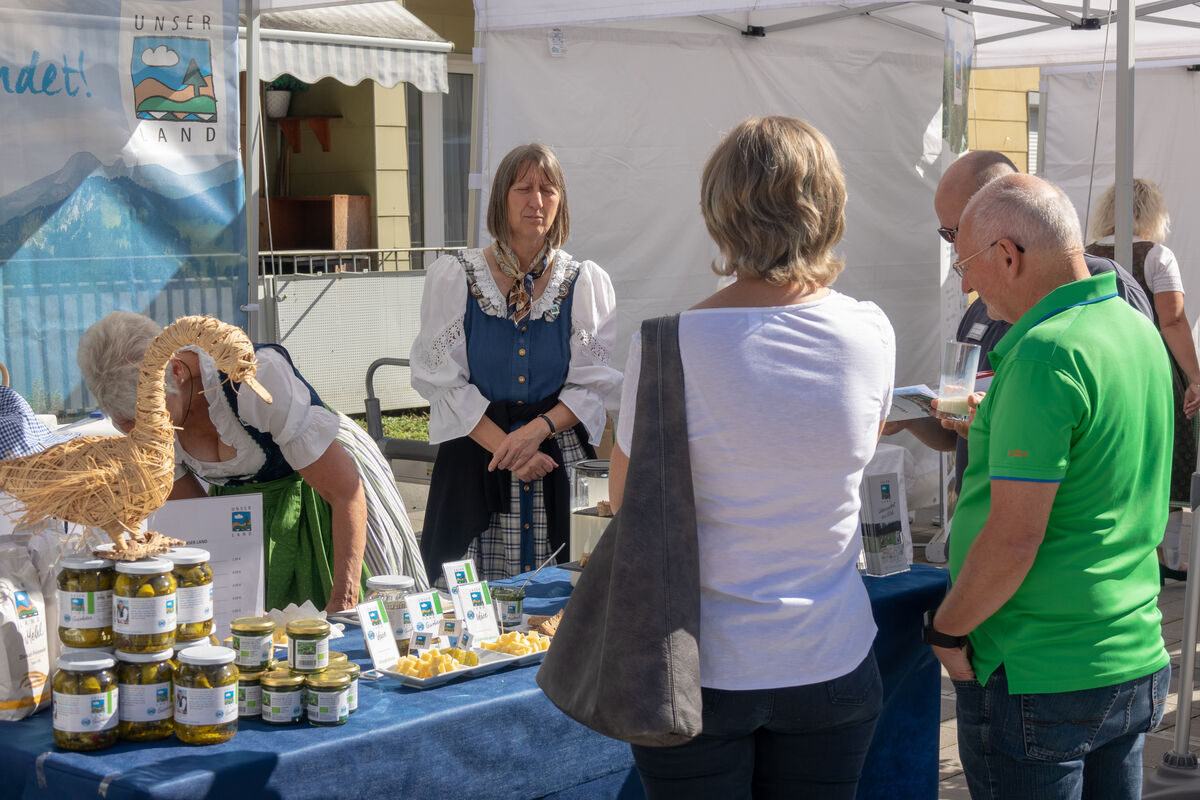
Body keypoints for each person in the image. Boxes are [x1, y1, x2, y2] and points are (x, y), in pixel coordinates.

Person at [609, 116, 893, 797]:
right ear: (830, 207)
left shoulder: (665, 345)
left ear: (719, 212)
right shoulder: (869, 332)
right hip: (831, 655)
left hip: (697, 667)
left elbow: (627, 503)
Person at [927, 174, 1171, 799]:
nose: (966, 285)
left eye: (966, 263)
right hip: (1132, 647)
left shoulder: (1043, 353)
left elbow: (1011, 541)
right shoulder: (1131, 324)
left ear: (1008, 254)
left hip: (1039, 666)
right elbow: (1100, 456)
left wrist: (947, 630)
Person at [77, 311, 428, 612]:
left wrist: (345, 600)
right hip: (239, 514)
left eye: (152, 416)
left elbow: (344, 492)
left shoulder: (253, 379)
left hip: (323, 488)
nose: (151, 432)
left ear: (176, 369)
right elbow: (199, 524)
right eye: (135, 424)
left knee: (352, 620)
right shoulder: (145, 416)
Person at [410, 143, 620, 584]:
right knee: (468, 611)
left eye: (548, 189)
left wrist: (534, 433)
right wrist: (511, 451)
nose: (537, 201)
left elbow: (589, 386)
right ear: (502, 197)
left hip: (555, 459)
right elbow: (443, 384)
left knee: (562, 605)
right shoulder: (457, 277)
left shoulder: (583, 282)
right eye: (524, 188)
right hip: (477, 459)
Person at [886, 151, 1152, 499]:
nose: (955, 251)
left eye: (955, 233)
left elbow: (1121, 433)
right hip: (988, 521)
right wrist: (911, 415)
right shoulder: (983, 305)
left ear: (1000, 213)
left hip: (1044, 531)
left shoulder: (1106, 292)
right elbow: (955, 425)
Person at [1086, 178, 1200, 581]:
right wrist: (1195, 376)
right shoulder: (1157, 256)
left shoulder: (1083, 255)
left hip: (1100, 368)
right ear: (1152, 212)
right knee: (1164, 456)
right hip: (1152, 370)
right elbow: (1171, 319)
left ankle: (1123, 548)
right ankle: (1166, 557)